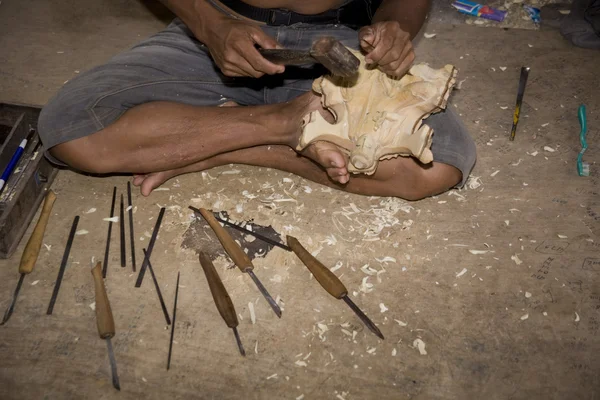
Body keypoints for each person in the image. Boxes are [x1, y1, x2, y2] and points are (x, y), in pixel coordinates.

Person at [38, 0, 476, 200]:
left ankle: (221, 144)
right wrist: (210, 27)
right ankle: (281, 123)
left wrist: (394, 27)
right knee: (72, 131)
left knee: (436, 167)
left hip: (340, 39)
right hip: (217, 24)